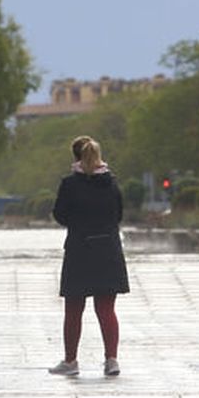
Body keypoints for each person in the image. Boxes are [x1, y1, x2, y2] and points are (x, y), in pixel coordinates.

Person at [48, 135, 130, 377]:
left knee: (74, 308)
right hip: (108, 250)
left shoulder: (70, 184)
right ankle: (111, 360)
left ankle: (71, 361)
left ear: (75, 157)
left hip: (79, 250)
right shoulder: (112, 183)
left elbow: (60, 215)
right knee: (106, 309)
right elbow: (118, 214)